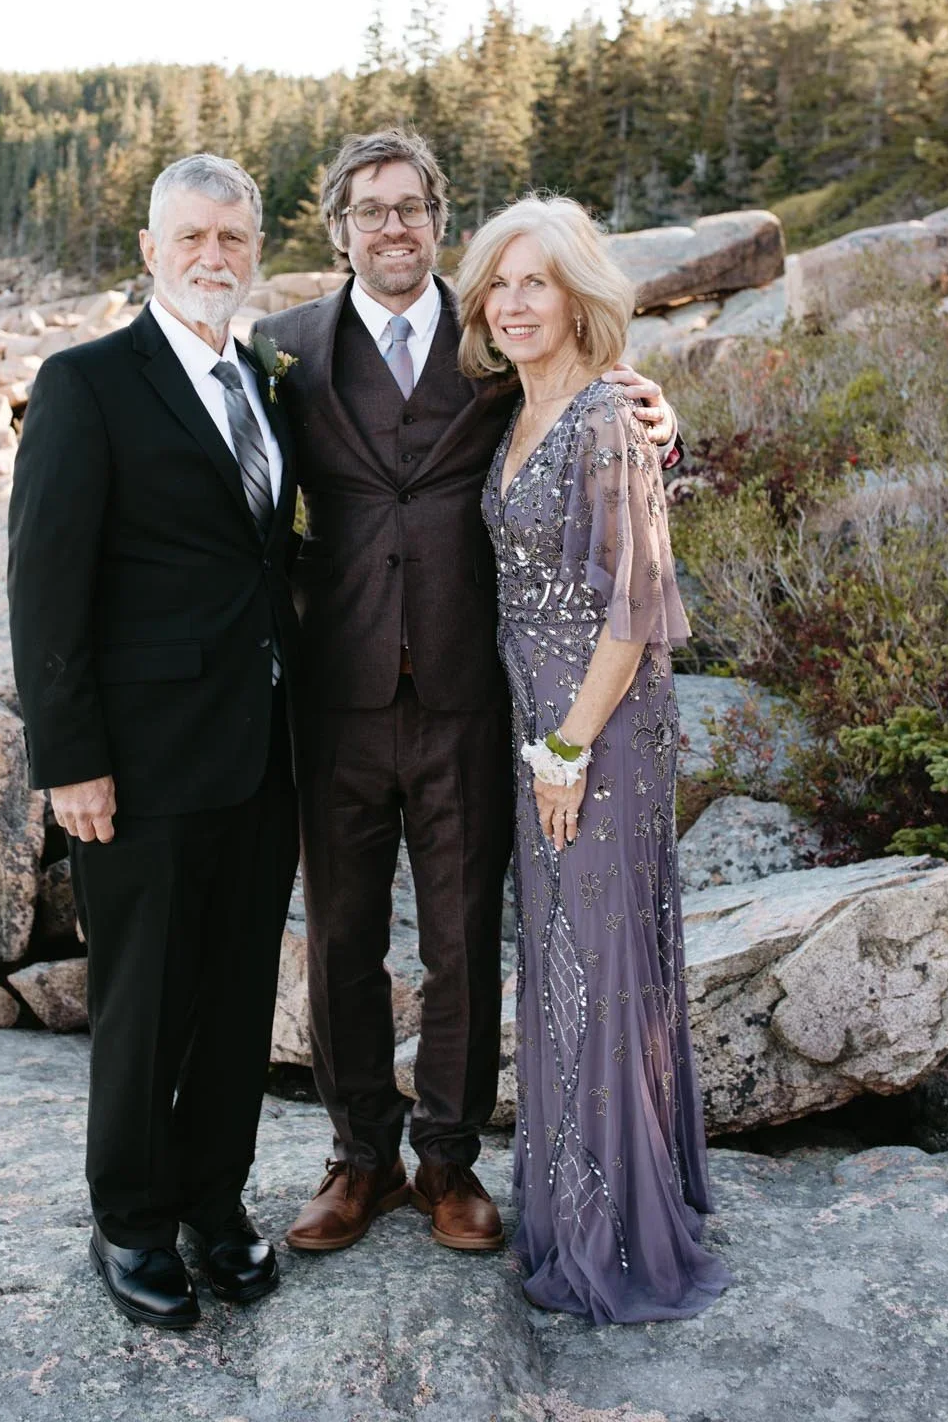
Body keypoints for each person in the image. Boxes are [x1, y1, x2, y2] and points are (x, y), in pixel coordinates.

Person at [253, 131, 679, 1258]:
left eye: (412, 207)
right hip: (332, 695)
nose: (393, 226)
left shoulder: (493, 337)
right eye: (370, 209)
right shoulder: (281, 348)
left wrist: (659, 413)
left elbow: (587, 403)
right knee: (341, 936)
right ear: (335, 226)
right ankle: (359, 1157)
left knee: (459, 940)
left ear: (439, 219)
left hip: (468, 695)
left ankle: (447, 1160)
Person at [6, 153, 300, 1331]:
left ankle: (211, 1200)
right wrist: (69, 756)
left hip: (265, 748)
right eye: (191, 239)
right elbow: (45, 585)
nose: (213, 257)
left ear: (253, 246)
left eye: (232, 238)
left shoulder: (267, 377)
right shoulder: (87, 383)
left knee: (234, 997)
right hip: (137, 761)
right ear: (150, 249)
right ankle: (129, 1217)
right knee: (142, 1000)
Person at [455, 193, 731, 1324]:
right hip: (540, 724)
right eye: (498, 284)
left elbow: (633, 608)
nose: (515, 303)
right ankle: (582, 1200)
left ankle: (619, 1231)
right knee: (564, 960)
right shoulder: (515, 411)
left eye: (537, 281)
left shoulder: (609, 417)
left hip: (596, 729)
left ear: (579, 294)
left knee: (601, 959)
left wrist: (567, 747)